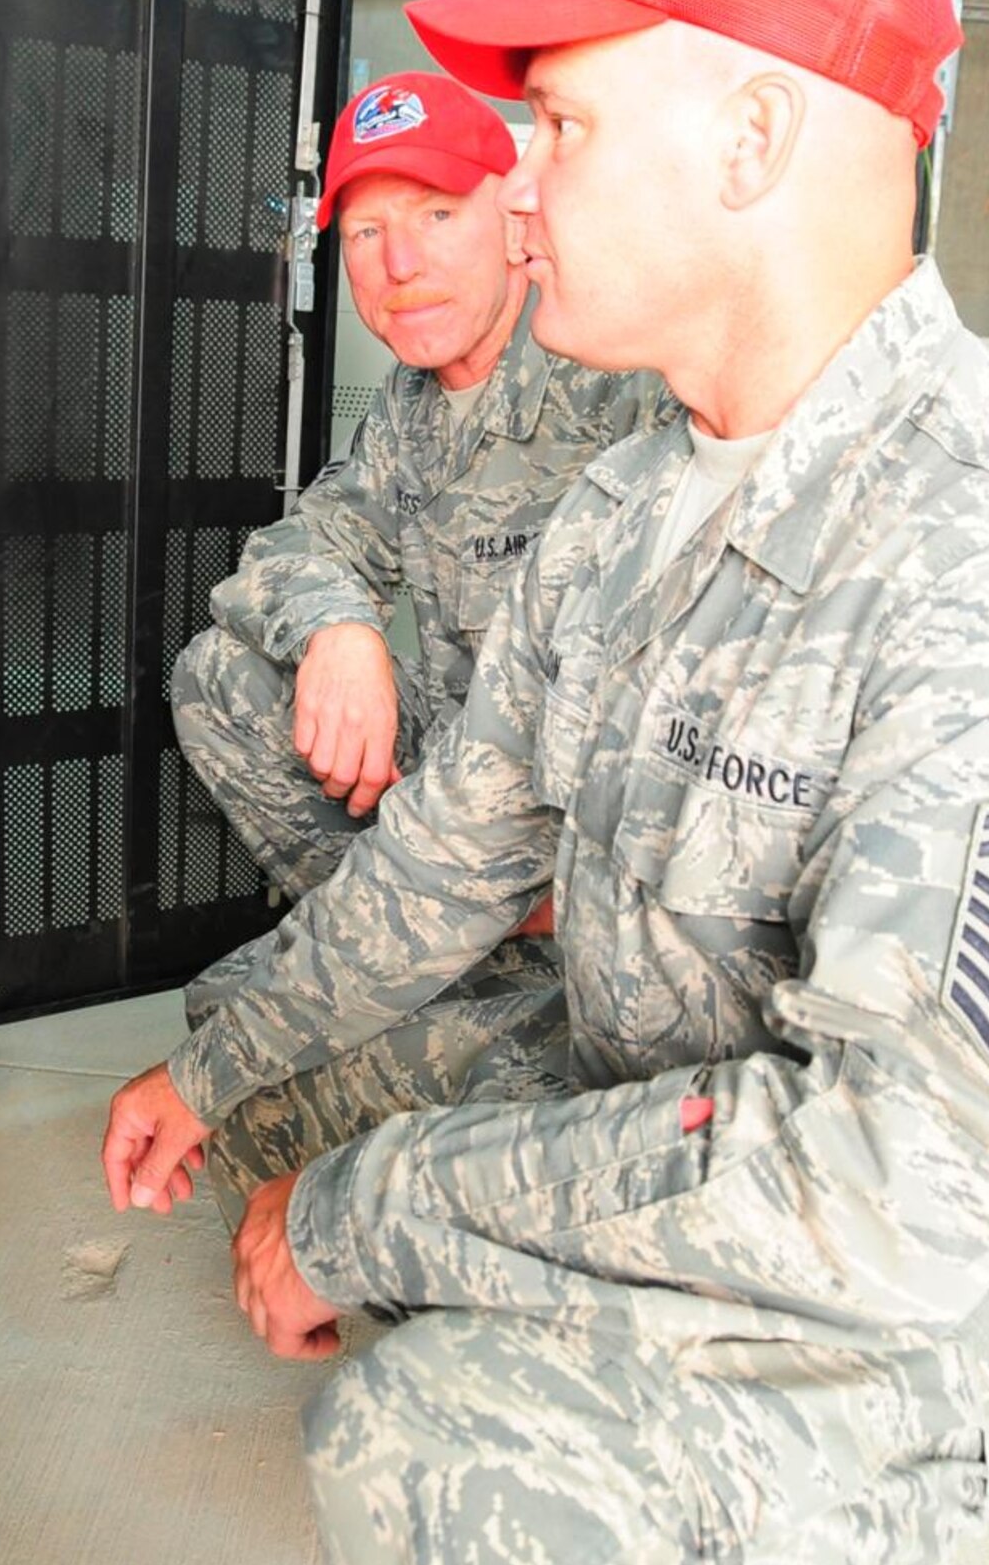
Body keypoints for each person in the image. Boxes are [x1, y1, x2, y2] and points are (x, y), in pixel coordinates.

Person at [104, 0, 989, 1565]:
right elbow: (431, 877)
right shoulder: (625, 510)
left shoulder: (987, 551)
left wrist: (380, 1214)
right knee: (265, 1101)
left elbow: (879, 1196)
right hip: (640, 1078)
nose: (514, 187)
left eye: (561, 127)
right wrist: (213, 1080)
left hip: (891, 1291)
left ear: (750, 142)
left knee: (422, 1463)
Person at [171, 70, 656, 1137]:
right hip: (467, 830)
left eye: (437, 216)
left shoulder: (625, 384)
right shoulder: (413, 407)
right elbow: (297, 544)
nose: (399, 265)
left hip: (610, 869)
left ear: (512, 212)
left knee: (256, 1106)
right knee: (221, 672)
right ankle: (434, 961)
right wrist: (341, 632)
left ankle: (491, 992)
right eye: (365, 232)